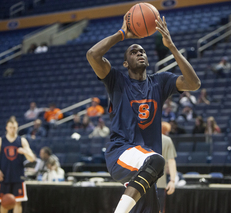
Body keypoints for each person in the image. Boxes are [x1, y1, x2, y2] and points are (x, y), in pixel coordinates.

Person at [86, 14, 200, 213]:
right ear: (125, 64)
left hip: (146, 168)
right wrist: (122, 34)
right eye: (133, 51)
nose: (139, 52)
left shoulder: (160, 81)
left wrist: (171, 47)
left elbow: (194, 83)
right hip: (121, 152)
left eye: (142, 51)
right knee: (156, 160)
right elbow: (92, 55)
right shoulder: (117, 80)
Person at [0, 118, 35, 213]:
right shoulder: (0, 140)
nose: (13, 129)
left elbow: (32, 158)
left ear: (17, 128)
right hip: (4, 175)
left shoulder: (22, 141)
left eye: (15, 127)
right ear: (7, 128)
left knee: (18, 202)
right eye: (11, 127)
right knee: (4, 202)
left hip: (18, 176)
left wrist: (24, 151)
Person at [157, 122, 177, 212]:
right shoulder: (167, 140)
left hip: (142, 182)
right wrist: (172, 180)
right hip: (160, 183)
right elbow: (171, 161)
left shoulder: (141, 138)